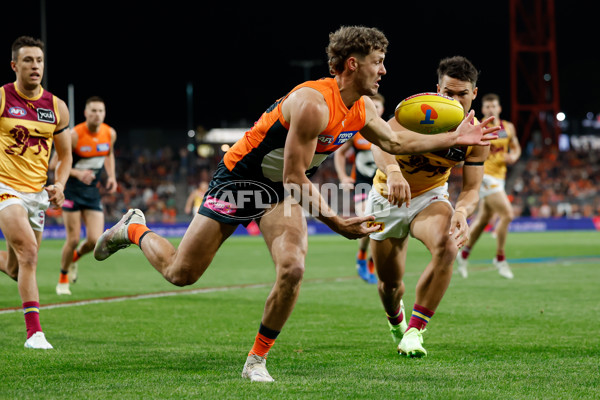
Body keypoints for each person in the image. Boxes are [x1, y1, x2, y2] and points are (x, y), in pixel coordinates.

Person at [93, 27, 498, 381]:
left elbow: (394, 142)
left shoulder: (362, 107)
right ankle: (133, 228)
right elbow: (294, 177)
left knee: (293, 267)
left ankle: (256, 360)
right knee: (180, 273)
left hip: (281, 192)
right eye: (378, 62)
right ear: (353, 64)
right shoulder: (312, 104)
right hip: (240, 180)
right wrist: (337, 221)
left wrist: (452, 139)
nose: (384, 70)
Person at [366, 56, 494, 357]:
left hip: (430, 196)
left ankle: (415, 330)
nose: (454, 99)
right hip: (387, 196)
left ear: (473, 94)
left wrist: (461, 211)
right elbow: (379, 143)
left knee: (449, 244)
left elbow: (473, 189)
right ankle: (396, 322)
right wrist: (395, 172)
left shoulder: (476, 135)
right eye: (448, 93)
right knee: (389, 286)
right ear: (437, 90)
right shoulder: (416, 112)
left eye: (462, 94)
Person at [0, 36, 72, 349]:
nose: (35, 66)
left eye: (39, 61)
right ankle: (35, 333)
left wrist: (60, 184)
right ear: (15, 65)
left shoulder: (57, 107)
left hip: (37, 195)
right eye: (28, 60)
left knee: (19, 269)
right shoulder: (2, 98)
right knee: (29, 252)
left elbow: (66, 156)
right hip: (5, 187)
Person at [54, 96, 117, 295]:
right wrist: (78, 173)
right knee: (72, 239)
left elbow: (108, 154)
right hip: (71, 190)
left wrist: (112, 176)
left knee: (94, 239)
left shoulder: (110, 133)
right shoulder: (74, 135)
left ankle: (74, 259)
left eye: (101, 111)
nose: (97, 114)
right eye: (93, 111)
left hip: (91, 192)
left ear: (104, 113)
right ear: (85, 113)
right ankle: (62, 278)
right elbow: (54, 164)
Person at [455, 93, 521, 279]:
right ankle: (500, 258)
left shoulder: (508, 128)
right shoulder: (478, 127)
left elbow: (515, 146)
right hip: (483, 175)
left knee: (483, 219)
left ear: (499, 108)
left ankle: (464, 255)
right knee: (507, 214)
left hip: (500, 178)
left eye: (494, 106)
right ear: (483, 109)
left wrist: (514, 156)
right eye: (488, 107)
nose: (491, 109)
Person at [334, 93, 385, 284]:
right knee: (368, 222)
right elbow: (340, 154)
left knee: (382, 228)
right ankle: (363, 257)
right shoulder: (357, 131)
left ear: (382, 109)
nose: (376, 109)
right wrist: (343, 177)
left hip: (382, 186)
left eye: (378, 106)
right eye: (374, 106)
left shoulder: (387, 131)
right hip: (362, 186)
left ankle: (369, 258)